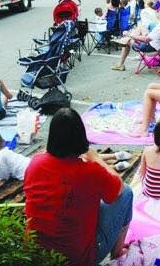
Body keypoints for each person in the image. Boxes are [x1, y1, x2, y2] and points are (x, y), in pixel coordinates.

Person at [24, 108, 132, 265]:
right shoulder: (90, 171)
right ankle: (118, 252)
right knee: (127, 193)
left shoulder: (35, 163)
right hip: (79, 259)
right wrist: (96, 158)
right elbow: (119, 189)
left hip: (36, 255)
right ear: (81, 137)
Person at [111, 5, 160, 71]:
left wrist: (131, 35)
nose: (157, 14)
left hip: (151, 49)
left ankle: (121, 64)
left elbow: (146, 39)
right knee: (141, 28)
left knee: (127, 41)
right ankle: (125, 38)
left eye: (158, 12)